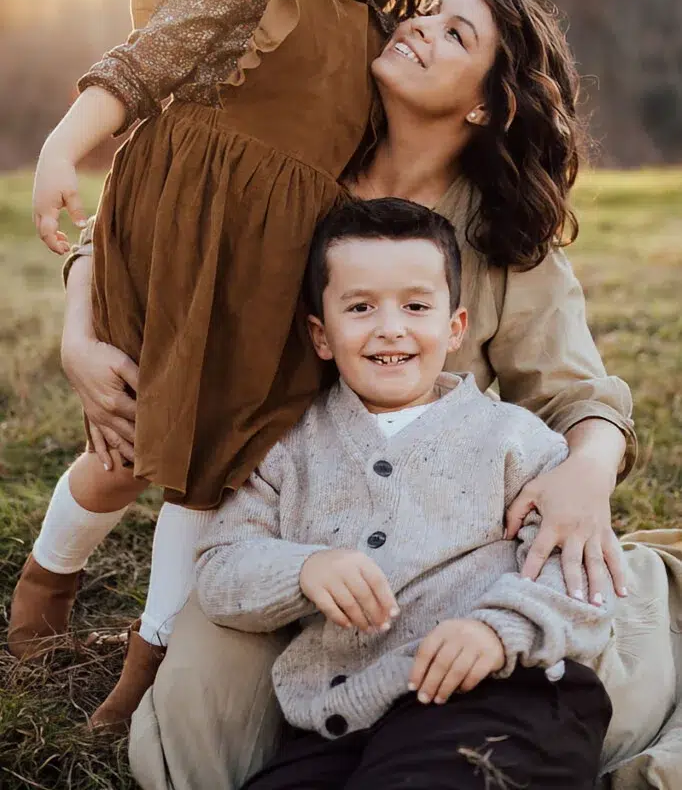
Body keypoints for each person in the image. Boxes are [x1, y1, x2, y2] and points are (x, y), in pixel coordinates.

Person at [58, 0, 652, 788]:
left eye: (456, 35)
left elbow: (577, 394)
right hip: (269, 512)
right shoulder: (304, 153)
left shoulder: (503, 239)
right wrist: (78, 334)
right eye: (430, 12)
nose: (420, 26)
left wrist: (587, 474)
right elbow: (142, 214)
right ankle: (65, 589)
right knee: (192, 737)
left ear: (487, 105)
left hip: (429, 538)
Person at [8, 0, 444, 728]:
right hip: (172, 243)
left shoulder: (387, 45)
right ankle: (48, 579)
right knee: (122, 451)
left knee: (212, 470)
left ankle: (151, 658)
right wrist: (60, 147)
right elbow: (138, 69)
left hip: (267, 281)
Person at [195, 196, 614, 790]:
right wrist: (303, 569)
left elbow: (581, 578)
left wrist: (497, 631)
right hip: (342, 721)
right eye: (360, 307)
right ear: (321, 334)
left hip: (500, 696)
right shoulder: (286, 449)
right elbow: (220, 570)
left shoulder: (516, 441)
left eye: (416, 306)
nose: (390, 327)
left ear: (454, 328)